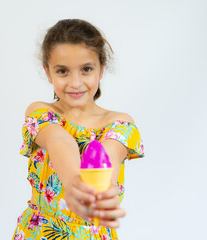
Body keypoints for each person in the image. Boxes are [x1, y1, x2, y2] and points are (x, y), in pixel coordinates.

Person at [12, 19, 145, 240]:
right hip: (38, 234)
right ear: (48, 72)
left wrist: (100, 193)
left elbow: (107, 159)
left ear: (101, 69)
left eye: (86, 69)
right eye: (63, 71)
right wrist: (74, 181)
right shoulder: (40, 113)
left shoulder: (120, 123)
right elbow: (59, 141)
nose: (75, 82)